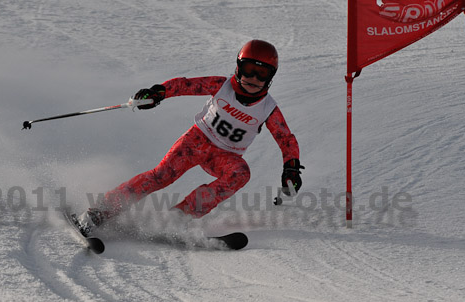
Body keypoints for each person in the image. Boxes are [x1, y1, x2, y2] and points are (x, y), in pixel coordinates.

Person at [77, 39, 303, 235]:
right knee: (161, 176)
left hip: (225, 156)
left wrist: (290, 168)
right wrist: (158, 93)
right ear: (238, 67)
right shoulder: (221, 86)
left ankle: (177, 219)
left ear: (271, 76)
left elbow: (286, 139)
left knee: (240, 173)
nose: (253, 78)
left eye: (262, 73)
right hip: (197, 142)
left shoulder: (267, 109)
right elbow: (185, 85)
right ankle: (100, 211)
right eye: (249, 69)